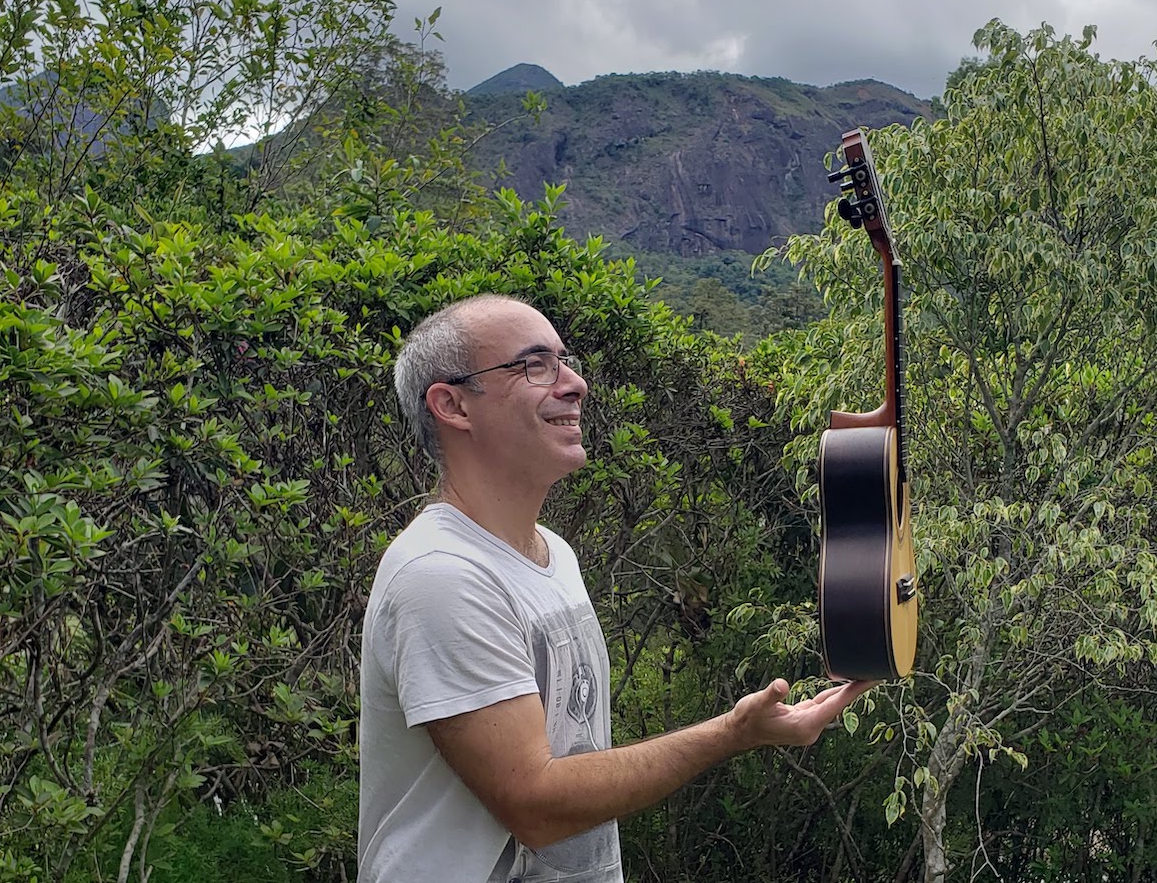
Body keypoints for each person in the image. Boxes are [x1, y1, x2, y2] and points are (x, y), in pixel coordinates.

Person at [358, 294, 874, 883]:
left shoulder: (556, 555)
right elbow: (536, 803)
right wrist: (733, 733)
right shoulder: (441, 575)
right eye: (534, 365)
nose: (574, 384)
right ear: (453, 405)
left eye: (565, 360)